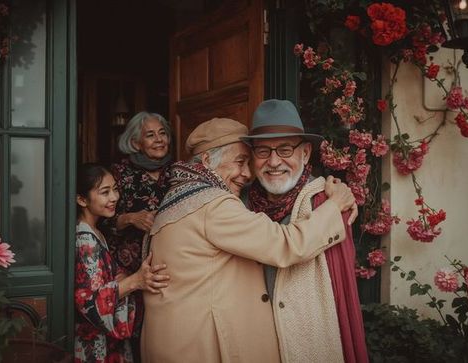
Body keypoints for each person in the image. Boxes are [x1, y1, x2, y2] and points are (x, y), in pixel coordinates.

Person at [140, 118, 356, 363]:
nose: (247, 173)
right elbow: (285, 244)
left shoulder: (175, 197)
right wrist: (335, 206)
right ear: (208, 162)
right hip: (201, 348)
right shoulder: (212, 203)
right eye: (240, 162)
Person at [242, 99, 368, 363]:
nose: (274, 161)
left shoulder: (328, 202)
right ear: (252, 157)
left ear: (306, 153)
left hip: (309, 346)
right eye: (263, 151)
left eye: (285, 149)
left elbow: (341, 292)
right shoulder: (239, 204)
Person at [75, 163, 170, 362]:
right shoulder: (85, 240)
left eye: (115, 189)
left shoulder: (96, 232)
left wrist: (122, 278)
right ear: (82, 199)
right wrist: (135, 281)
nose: (114, 197)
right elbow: (89, 302)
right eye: (105, 192)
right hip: (95, 346)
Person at [103, 111, 173, 360]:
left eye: (162, 133)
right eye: (150, 135)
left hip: (170, 265)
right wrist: (131, 218)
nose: (159, 139)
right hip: (129, 268)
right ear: (135, 143)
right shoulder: (119, 174)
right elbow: (100, 218)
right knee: (134, 332)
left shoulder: (178, 171)